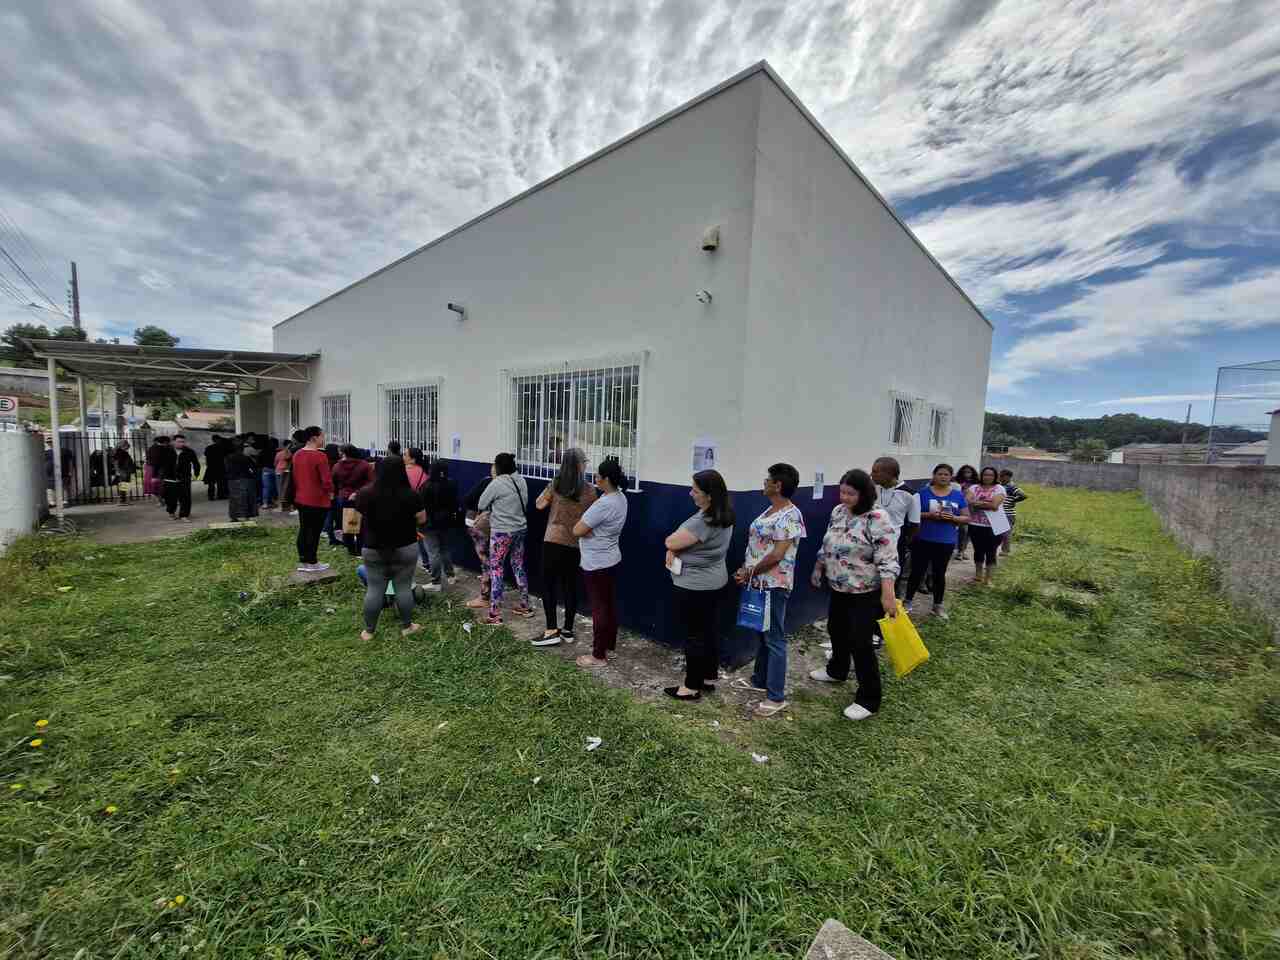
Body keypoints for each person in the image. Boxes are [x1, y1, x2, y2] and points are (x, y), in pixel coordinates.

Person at [809, 469, 899, 721]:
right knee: (836, 629)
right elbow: (828, 543)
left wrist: (888, 595)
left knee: (861, 642)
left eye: (851, 493)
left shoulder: (877, 518)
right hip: (839, 587)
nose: (845, 498)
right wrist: (819, 567)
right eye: (842, 492)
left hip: (865, 591)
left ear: (865, 493)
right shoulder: (838, 512)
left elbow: (888, 559)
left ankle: (869, 698)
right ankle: (837, 670)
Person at [733, 463, 806, 717]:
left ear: (778, 485)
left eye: (768, 479)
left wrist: (750, 571)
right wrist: (746, 569)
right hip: (758, 581)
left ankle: (776, 696)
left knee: (774, 637)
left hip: (774, 583)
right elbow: (756, 545)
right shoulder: (770, 510)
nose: (764, 482)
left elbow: (777, 554)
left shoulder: (790, 515)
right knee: (762, 632)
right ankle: (759, 680)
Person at [662, 469, 734, 701]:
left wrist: (671, 548)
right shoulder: (725, 514)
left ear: (709, 495)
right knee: (709, 631)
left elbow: (670, 540)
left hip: (694, 586)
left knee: (694, 635)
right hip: (715, 581)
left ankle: (691, 687)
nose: (691, 493)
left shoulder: (704, 520)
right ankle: (708, 677)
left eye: (695, 490)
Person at [353, 457, 425, 641]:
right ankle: (407, 626)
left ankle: (369, 632)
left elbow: (354, 521)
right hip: (405, 547)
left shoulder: (364, 493)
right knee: (402, 587)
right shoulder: (411, 495)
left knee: (375, 589)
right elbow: (422, 519)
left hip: (373, 548)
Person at [533, 448, 596, 646]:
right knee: (570, 586)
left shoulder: (556, 484)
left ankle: (551, 629)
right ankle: (567, 630)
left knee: (548, 584)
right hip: (574, 543)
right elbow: (592, 517)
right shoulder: (589, 489)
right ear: (579, 465)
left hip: (552, 540)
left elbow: (539, 505)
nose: (586, 464)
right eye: (584, 461)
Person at [574, 459, 629, 668]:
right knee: (608, 605)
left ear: (606, 479)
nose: (595, 478)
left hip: (596, 562)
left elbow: (577, 529)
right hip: (611, 558)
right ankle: (608, 647)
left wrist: (587, 529)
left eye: (598, 475)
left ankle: (598, 656)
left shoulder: (604, 504)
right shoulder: (621, 498)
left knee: (599, 608)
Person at [903, 463, 970, 617]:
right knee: (917, 571)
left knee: (939, 573)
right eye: (940, 474)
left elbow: (967, 517)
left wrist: (954, 518)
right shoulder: (922, 493)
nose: (943, 477)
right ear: (934, 475)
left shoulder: (957, 495)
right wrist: (929, 515)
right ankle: (908, 601)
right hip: (923, 539)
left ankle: (938, 605)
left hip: (945, 541)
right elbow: (911, 514)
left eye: (946, 475)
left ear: (951, 477)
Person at [477, 452, 535, 625]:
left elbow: (481, 504)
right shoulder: (521, 480)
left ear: (499, 466)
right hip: (520, 529)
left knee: (496, 569)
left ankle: (495, 615)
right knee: (518, 565)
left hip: (502, 532)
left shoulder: (498, 483)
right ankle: (525, 605)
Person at [870, 456, 920, 599]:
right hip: (871, 540)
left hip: (895, 544)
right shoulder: (873, 489)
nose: (871, 474)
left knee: (891, 580)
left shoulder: (910, 494)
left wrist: (905, 543)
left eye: (875, 472)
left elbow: (915, 524)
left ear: (889, 474)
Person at [290, 426, 335, 573]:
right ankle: (312, 562)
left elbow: (294, 477)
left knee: (304, 529)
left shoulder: (297, 454)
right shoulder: (320, 456)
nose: (324, 439)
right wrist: (331, 492)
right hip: (317, 500)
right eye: (322, 436)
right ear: (314, 438)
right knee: (314, 532)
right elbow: (326, 481)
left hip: (301, 498)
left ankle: (304, 560)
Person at [420, 459, 459, 590]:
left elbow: (421, 506)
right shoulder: (452, 483)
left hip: (429, 524)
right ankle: (451, 576)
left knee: (433, 553)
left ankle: (436, 582)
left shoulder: (426, 486)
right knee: (445, 549)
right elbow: (454, 504)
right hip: (446, 522)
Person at [966, 467, 1006, 584]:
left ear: (995, 477)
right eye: (985, 475)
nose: (987, 477)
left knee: (991, 551)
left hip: (994, 526)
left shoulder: (999, 488)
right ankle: (978, 575)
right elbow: (967, 501)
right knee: (978, 550)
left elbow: (994, 506)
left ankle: (988, 578)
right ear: (981, 476)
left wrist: (976, 503)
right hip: (975, 524)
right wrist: (987, 503)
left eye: (990, 475)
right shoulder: (973, 487)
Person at [331, 444, 373, 556]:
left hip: (343, 498)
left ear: (344, 453)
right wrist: (358, 492)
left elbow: (333, 482)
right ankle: (360, 548)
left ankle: (350, 548)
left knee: (347, 523)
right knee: (362, 525)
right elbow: (371, 482)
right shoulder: (364, 465)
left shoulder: (337, 466)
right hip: (361, 497)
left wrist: (336, 494)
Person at [462, 468, 494, 612]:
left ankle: (485, 597)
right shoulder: (513, 484)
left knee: (485, 560)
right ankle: (488, 585)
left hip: (478, 523)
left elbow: (469, 499)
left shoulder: (489, 481)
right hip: (497, 527)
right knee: (490, 560)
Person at [163, 434, 201, 521]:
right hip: (170, 478)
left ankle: (184, 515)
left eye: (183, 442)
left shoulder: (189, 451)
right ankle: (171, 513)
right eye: (179, 442)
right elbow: (158, 463)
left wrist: (196, 474)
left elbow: (196, 463)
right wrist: (156, 475)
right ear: (173, 442)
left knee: (185, 498)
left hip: (184, 478)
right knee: (170, 498)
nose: (181, 444)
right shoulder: (166, 451)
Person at [225, 439, 259, 522]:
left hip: (233, 480)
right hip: (246, 479)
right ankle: (246, 517)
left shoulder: (228, 458)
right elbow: (253, 469)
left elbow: (227, 469)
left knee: (234, 499)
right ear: (242, 448)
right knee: (247, 498)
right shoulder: (246, 458)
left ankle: (234, 517)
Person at [952, 464, 979, 560]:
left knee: (968, 531)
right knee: (963, 530)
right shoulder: (956, 482)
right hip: (959, 509)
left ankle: (962, 551)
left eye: (969, 472)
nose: (967, 474)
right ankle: (959, 550)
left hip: (972, 509)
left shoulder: (976, 483)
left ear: (973, 473)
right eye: (965, 472)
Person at [998, 468, 1027, 556]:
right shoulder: (1001, 485)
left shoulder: (1011, 486)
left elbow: (1023, 495)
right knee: (1000, 532)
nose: (1000, 478)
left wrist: (1013, 501)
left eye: (1002, 476)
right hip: (1000, 512)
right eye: (1000, 476)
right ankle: (1002, 549)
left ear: (1008, 477)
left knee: (1006, 532)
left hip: (1008, 514)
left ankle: (1005, 550)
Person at [145, 435, 173, 506]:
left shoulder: (153, 448)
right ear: (165, 442)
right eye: (168, 442)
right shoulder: (159, 449)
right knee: (159, 486)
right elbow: (155, 462)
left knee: (159, 486)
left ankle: (161, 501)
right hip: (158, 470)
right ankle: (162, 501)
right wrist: (154, 475)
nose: (169, 444)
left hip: (154, 469)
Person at [203, 435, 228, 500]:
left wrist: (207, 465)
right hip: (220, 467)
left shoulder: (208, 448)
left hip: (211, 467)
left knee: (211, 483)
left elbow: (206, 457)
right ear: (218, 440)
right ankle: (221, 496)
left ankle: (211, 496)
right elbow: (225, 458)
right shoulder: (223, 448)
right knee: (220, 483)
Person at [112, 439, 136, 505]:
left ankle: (123, 500)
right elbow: (116, 462)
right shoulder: (119, 452)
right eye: (127, 445)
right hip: (123, 471)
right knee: (123, 485)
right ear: (123, 445)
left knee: (124, 486)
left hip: (125, 470)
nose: (128, 447)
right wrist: (118, 471)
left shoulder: (122, 452)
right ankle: (121, 501)